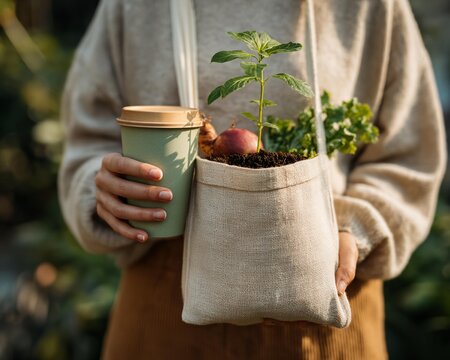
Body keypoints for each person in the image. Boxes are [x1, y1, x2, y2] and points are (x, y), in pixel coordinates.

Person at [58, 0, 446, 358]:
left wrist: (356, 229)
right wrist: (104, 185)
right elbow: (88, 139)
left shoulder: (368, 7)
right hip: (166, 297)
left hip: (326, 295)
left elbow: (411, 152)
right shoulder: (134, 7)